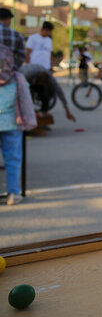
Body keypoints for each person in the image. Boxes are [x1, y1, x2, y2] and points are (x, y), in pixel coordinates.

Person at [1, 44, 36, 205]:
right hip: (12, 125)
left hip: (11, 125)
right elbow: (25, 103)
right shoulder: (17, 79)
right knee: (13, 160)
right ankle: (13, 193)